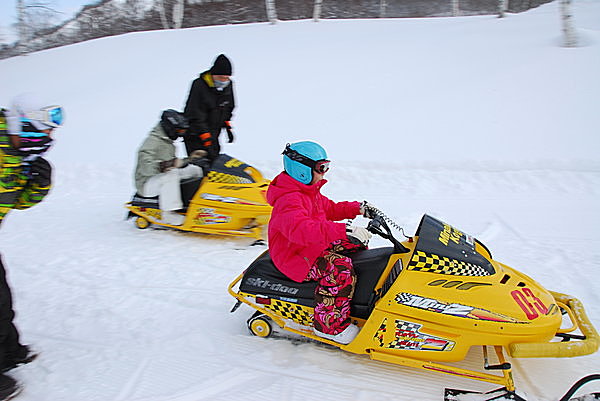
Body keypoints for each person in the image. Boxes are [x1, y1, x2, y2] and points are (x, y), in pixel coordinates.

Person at [266, 141, 373, 345]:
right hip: (294, 256)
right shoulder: (288, 199)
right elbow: (301, 230)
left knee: (356, 248)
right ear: (302, 170)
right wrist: (344, 231)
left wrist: (357, 209)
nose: (325, 173)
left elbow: (330, 210)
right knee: (339, 268)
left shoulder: (309, 192)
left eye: (326, 167)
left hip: (310, 246)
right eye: (321, 168)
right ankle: (329, 326)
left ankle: (352, 300)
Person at [0, 93, 64, 400]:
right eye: (45, 130)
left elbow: (18, 202)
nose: (49, 138)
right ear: (22, 125)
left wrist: (39, 185)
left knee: (2, 296)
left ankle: (6, 351)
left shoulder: (18, 156)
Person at [134, 109, 208, 226]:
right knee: (171, 175)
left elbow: (173, 163)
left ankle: (196, 205)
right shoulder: (152, 141)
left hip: (161, 176)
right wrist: (168, 165)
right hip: (146, 183)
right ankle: (169, 215)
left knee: (195, 170)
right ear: (169, 127)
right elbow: (146, 166)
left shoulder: (167, 141)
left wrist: (191, 159)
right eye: (178, 130)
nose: (180, 134)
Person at [183, 54, 235, 160]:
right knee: (200, 163)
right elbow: (194, 113)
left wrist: (227, 125)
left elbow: (229, 106)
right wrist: (204, 135)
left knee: (215, 161)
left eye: (227, 78)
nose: (224, 81)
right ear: (213, 74)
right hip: (196, 133)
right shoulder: (199, 85)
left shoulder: (228, 86)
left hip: (214, 131)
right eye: (221, 77)